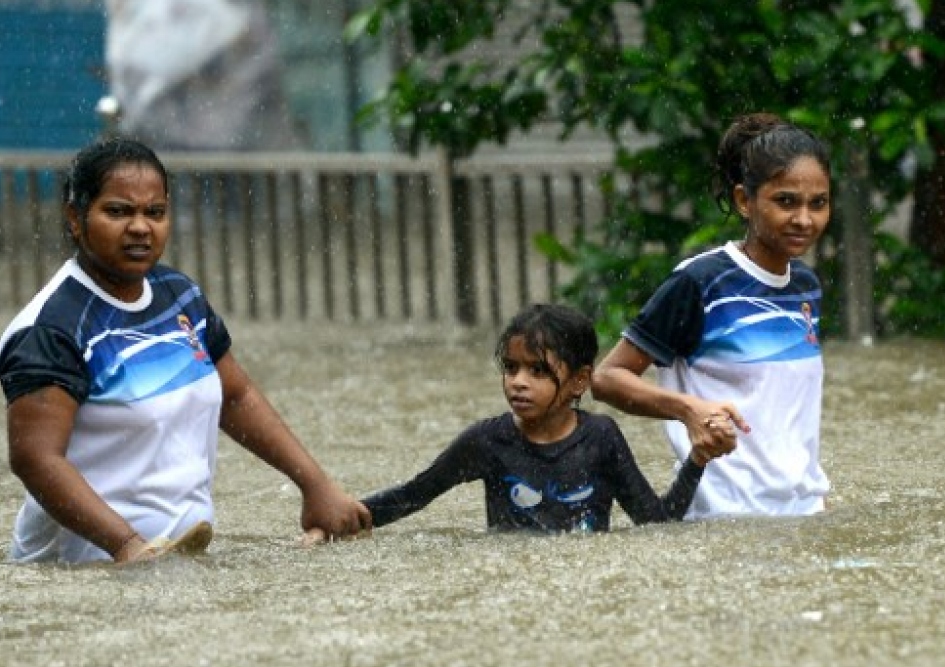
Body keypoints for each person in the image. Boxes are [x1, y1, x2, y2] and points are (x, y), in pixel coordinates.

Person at [0, 136, 371, 565]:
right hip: (83, 570)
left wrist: (316, 486)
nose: (140, 227)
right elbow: (36, 459)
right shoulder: (50, 328)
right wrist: (127, 546)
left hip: (177, 559)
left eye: (154, 212)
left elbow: (236, 396)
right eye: (118, 211)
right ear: (75, 218)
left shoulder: (178, 296)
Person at [591, 112, 833, 519]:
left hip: (804, 514)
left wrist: (816, 502)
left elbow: (788, 414)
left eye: (818, 204)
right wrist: (689, 409)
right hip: (721, 520)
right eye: (786, 201)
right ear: (744, 201)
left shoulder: (805, 285)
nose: (804, 219)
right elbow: (607, 379)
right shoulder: (700, 282)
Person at [353, 304, 727, 535]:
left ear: (580, 381)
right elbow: (411, 496)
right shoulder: (486, 442)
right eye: (511, 368)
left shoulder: (601, 438)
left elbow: (655, 523)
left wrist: (696, 461)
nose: (518, 382)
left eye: (537, 371)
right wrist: (341, 522)